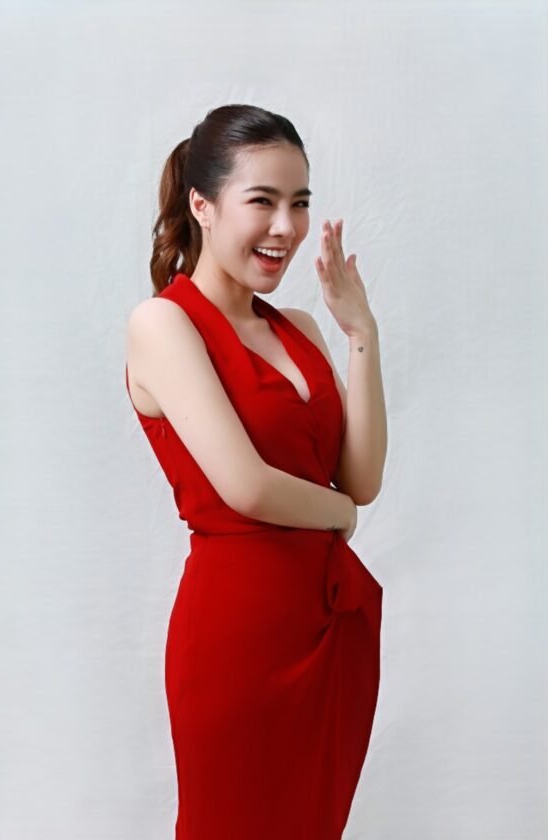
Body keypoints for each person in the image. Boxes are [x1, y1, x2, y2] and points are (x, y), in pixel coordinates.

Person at [125, 103, 387, 840]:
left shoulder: (298, 329)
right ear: (202, 206)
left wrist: (361, 334)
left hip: (326, 627)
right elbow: (246, 486)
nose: (286, 227)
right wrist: (340, 515)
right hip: (237, 636)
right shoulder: (163, 324)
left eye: (299, 203)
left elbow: (361, 479)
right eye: (263, 201)